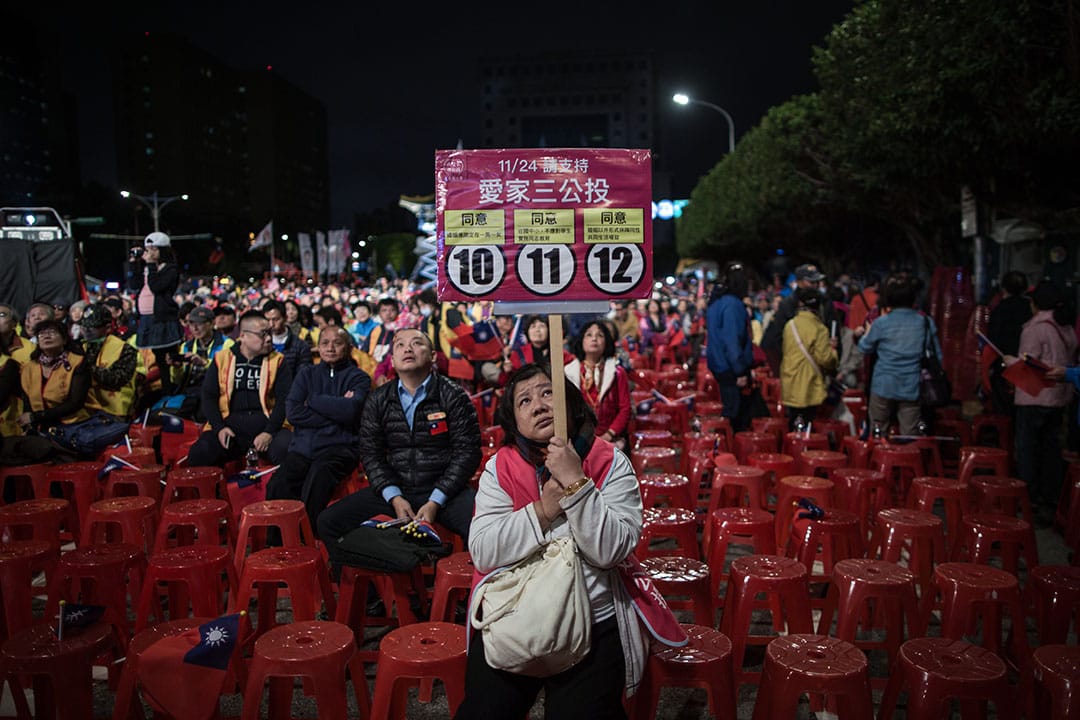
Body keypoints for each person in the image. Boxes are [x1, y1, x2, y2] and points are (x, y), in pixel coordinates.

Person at [454, 363, 644, 719]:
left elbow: (610, 551)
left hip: (595, 617)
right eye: (524, 401)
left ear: (570, 403)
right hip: (513, 612)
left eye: (547, 393)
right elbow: (483, 551)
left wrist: (576, 483)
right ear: (513, 421)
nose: (538, 405)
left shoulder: (610, 461)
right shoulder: (501, 467)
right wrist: (543, 509)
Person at [316, 327, 481, 546]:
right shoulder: (379, 399)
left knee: (483, 530)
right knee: (328, 522)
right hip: (397, 489)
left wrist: (436, 500)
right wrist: (393, 496)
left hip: (445, 491)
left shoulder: (453, 395)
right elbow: (370, 454)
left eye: (416, 343)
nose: (408, 349)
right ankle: (377, 573)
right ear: (392, 360)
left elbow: (468, 452)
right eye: (400, 345)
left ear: (432, 357)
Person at [266, 325, 370, 530]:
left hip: (339, 449)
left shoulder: (359, 377)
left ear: (349, 348)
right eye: (325, 343)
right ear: (318, 348)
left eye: (337, 343)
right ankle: (277, 541)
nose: (330, 348)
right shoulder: (306, 374)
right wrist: (337, 408)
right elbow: (294, 412)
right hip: (303, 448)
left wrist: (313, 400)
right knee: (279, 483)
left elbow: (351, 413)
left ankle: (308, 535)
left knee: (318, 477)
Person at [187, 311, 293, 467]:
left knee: (288, 450)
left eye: (269, 333)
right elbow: (209, 397)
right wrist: (219, 428)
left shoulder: (278, 361)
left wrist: (269, 432)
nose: (269, 338)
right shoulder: (221, 358)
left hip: (269, 426)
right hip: (230, 427)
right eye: (263, 334)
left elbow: (284, 400)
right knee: (200, 452)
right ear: (243, 336)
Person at [1008, 281, 1077, 512]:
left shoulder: (1036, 327)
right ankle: (1051, 497)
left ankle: (1028, 499)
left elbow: (1027, 362)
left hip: (1034, 396)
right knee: (1051, 448)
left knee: (1028, 449)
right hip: (1059, 397)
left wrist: (1009, 362)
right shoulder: (1065, 325)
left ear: (1035, 304)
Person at [856, 273, 942, 436]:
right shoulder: (924, 322)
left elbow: (864, 348)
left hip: (883, 383)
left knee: (878, 431)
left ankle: (879, 460)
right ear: (913, 300)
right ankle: (905, 459)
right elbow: (937, 354)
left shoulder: (881, 323)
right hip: (912, 384)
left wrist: (866, 334)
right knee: (909, 433)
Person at [15, 319, 87, 463]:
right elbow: (28, 402)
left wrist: (36, 417)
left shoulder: (78, 362)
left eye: (52, 332)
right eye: (41, 334)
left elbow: (75, 403)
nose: (46, 336)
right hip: (42, 430)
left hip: (72, 428)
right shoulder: (29, 367)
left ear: (65, 339)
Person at [761, 263, 837, 375]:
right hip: (796, 367)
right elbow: (773, 339)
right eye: (811, 282)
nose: (815, 285)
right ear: (799, 282)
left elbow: (834, 331)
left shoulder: (825, 301)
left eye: (817, 282)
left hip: (822, 365)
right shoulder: (788, 304)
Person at [706, 261, 755, 431]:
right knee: (735, 416)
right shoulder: (732, 305)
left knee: (731, 411)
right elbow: (731, 341)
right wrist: (740, 370)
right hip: (730, 368)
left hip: (720, 364)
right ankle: (732, 451)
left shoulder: (716, 302)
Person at [566, 321, 631, 449]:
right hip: (578, 440)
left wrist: (609, 434)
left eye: (600, 335)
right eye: (589, 335)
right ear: (581, 341)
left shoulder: (617, 372)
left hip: (611, 438)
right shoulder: (569, 372)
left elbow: (625, 409)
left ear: (606, 342)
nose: (594, 338)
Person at [780, 287, 838, 430]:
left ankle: (791, 448)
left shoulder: (790, 325)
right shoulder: (819, 328)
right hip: (809, 383)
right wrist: (834, 351)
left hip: (790, 380)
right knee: (808, 423)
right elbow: (825, 359)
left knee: (793, 421)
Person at [130, 232, 184, 381]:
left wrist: (150, 265)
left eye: (154, 249)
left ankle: (175, 387)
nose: (150, 253)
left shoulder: (170, 269)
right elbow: (134, 285)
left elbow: (157, 287)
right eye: (148, 249)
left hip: (162, 316)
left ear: (163, 249)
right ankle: (165, 389)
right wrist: (134, 263)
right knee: (158, 357)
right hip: (146, 316)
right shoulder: (148, 267)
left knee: (170, 356)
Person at [166, 305, 233, 420]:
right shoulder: (187, 346)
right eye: (191, 324)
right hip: (189, 392)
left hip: (216, 392)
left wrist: (204, 363)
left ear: (212, 324)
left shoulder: (227, 344)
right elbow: (177, 380)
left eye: (200, 323)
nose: (195, 328)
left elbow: (228, 372)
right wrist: (176, 367)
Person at [79, 303, 140, 421]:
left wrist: (84, 368)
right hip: (85, 410)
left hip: (114, 413)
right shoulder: (80, 347)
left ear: (107, 327)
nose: (86, 330)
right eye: (83, 326)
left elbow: (117, 379)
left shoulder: (125, 349)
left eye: (92, 327)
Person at [986, 271, 1033, 416]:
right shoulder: (1031, 308)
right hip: (1028, 364)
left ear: (1004, 288)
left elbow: (993, 337)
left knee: (1004, 410)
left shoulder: (1000, 309)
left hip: (1003, 363)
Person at [262, 300, 313, 379]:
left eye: (275, 319)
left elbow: (303, 376)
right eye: (268, 320)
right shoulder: (260, 343)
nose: (271, 324)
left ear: (285, 318)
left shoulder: (300, 346)